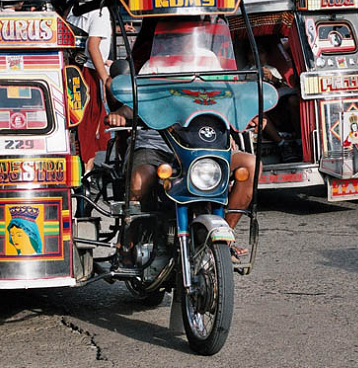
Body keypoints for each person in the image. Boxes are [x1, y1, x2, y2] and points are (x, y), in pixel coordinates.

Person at [105, 17, 259, 245]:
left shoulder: (209, 60)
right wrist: (122, 113)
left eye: (190, 32)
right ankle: (129, 240)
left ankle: (225, 236)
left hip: (204, 144)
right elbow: (138, 102)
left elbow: (223, 98)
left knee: (251, 165)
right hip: (158, 144)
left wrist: (239, 120)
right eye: (177, 34)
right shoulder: (154, 65)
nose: (183, 38)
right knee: (139, 181)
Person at [67, 0, 113, 172]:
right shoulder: (100, 10)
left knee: (78, 125)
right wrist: (105, 79)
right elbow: (94, 45)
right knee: (89, 127)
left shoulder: (78, 4)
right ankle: (85, 175)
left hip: (74, 69)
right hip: (89, 74)